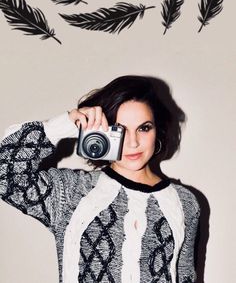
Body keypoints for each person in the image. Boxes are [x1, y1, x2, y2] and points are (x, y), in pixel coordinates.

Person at [0, 75, 200, 283]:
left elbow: (186, 276)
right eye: (120, 130)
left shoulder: (185, 202)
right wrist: (68, 124)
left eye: (144, 128)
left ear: (158, 130)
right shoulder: (71, 192)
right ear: (105, 133)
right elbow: (5, 173)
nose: (133, 142)